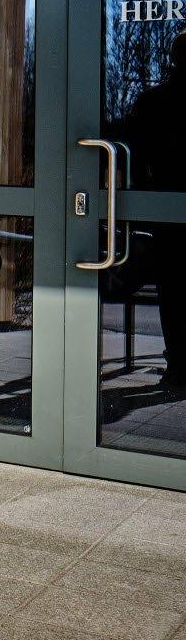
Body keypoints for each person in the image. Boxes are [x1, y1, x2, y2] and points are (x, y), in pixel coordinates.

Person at [122, 35, 186, 391]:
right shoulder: (154, 99)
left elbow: (134, 149)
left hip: (164, 206)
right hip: (169, 205)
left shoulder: (153, 100)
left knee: (173, 290)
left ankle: (178, 363)